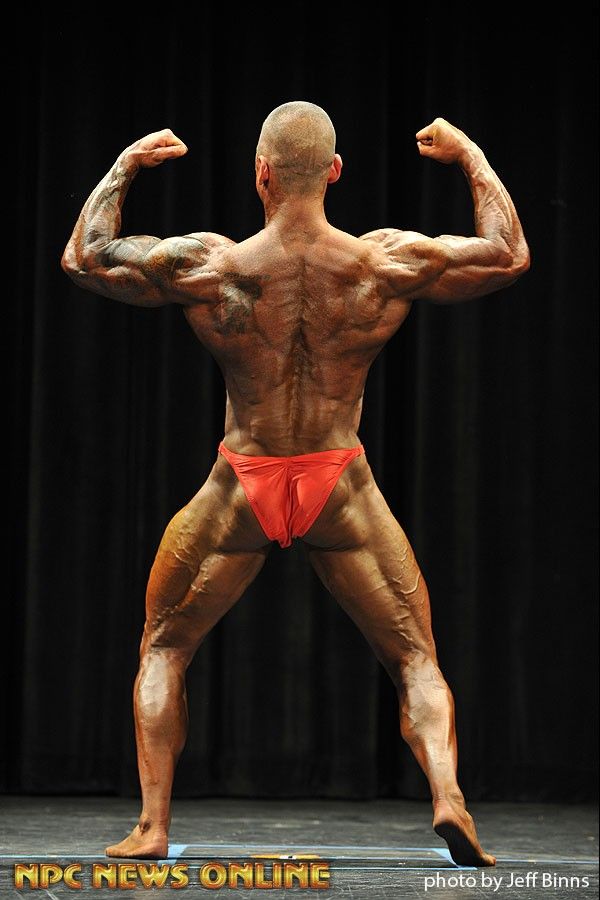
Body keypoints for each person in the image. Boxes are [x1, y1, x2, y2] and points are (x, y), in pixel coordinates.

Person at [61, 101, 529, 865]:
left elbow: (86, 259)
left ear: (262, 175)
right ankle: (450, 798)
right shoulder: (382, 262)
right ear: (335, 171)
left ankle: (152, 826)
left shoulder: (213, 266)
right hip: (339, 481)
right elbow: (507, 256)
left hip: (240, 484)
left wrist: (126, 166)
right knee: (415, 657)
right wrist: (470, 156)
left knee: (166, 646)